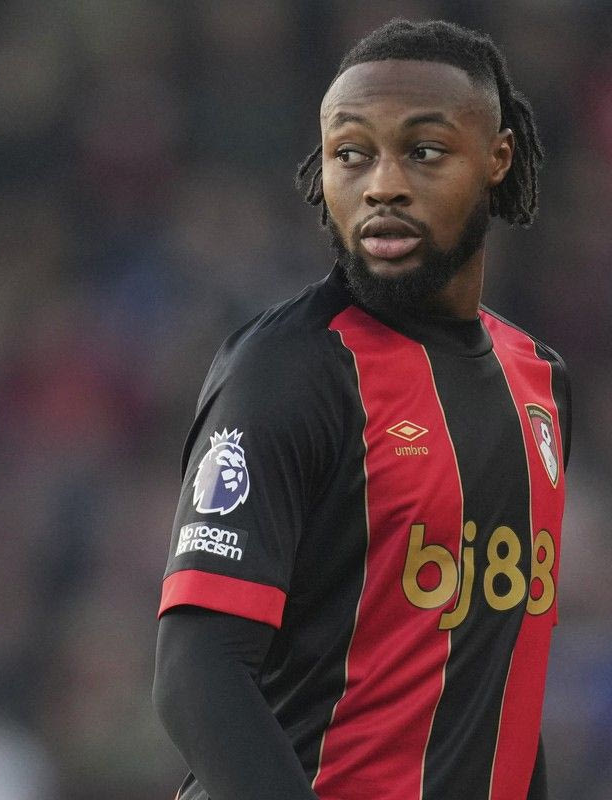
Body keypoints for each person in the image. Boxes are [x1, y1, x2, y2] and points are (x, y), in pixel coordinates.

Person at [153, 18, 569, 800]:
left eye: (424, 151)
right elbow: (197, 674)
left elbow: (497, 681)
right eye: (351, 153)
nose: (382, 185)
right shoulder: (290, 371)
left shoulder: (541, 386)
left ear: (497, 158)